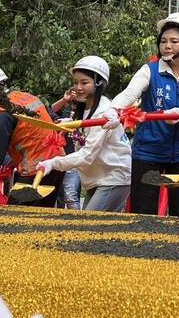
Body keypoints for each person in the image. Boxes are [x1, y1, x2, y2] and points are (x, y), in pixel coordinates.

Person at [112, 13, 179, 217]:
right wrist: (112, 110)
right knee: (143, 213)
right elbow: (129, 94)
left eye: (174, 41)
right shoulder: (150, 70)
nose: (167, 46)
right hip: (148, 152)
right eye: (163, 41)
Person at [37, 56, 132, 212]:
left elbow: (87, 155)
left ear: (99, 83)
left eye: (84, 83)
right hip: (96, 178)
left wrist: (53, 163)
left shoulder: (103, 112)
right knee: (97, 228)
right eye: (75, 83)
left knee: (87, 223)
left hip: (114, 177)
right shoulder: (81, 110)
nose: (78, 87)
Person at [0, 64, 64, 207]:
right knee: (44, 218)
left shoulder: (2, 116)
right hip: (57, 162)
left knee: (16, 215)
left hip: (36, 168)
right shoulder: (27, 97)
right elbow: (48, 116)